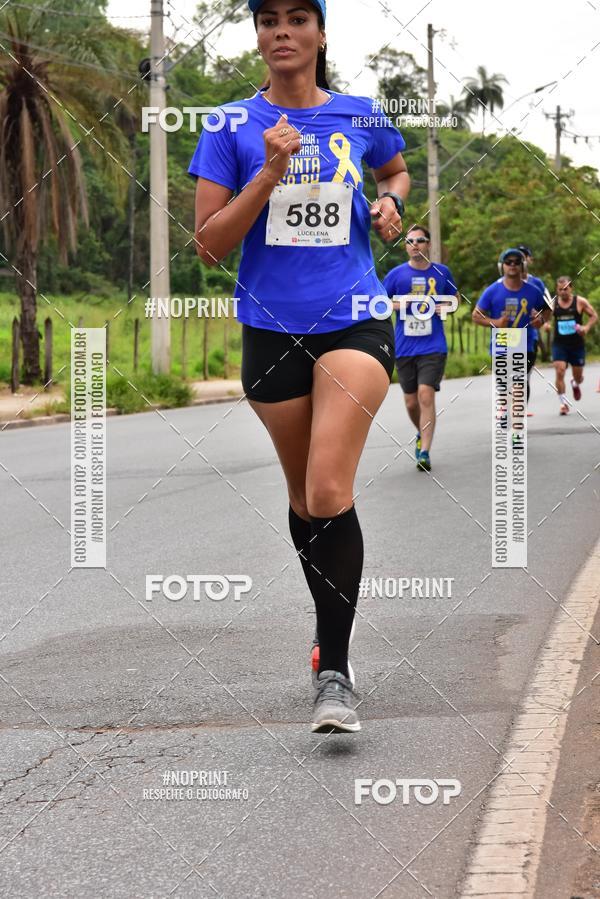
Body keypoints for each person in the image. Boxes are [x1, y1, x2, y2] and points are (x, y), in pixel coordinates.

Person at [189, 0, 409, 734]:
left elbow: (398, 171)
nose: (281, 31)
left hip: (355, 316)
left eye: (296, 17)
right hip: (270, 331)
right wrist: (270, 173)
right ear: (258, 35)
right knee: (304, 501)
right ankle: (328, 638)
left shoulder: (358, 113)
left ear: (320, 33)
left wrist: (386, 202)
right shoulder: (228, 126)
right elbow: (210, 245)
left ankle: (336, 675)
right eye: (267, 19)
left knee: (326, 486)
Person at [383, 226, 459, 472]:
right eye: (410, 241)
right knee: (411, 403)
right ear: (405, 246)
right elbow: (380, 302)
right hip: (405, 346)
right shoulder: (396, 275)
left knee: (426, 394)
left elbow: (455, 300)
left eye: (420, 240)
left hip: (433, 344)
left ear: (428, 244)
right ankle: (421, 433)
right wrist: (403, 304)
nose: (415, 244)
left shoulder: (441, 272)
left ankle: (424, 451)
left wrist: (444, 306)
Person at [472, 249, 550, 398]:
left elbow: (547, 310)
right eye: (508, 262)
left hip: (526, 344)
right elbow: (476, 316)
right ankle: (507, 417)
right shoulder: (492, 291)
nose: (512, 265)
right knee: (504, 389)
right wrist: (496, 322)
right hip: (501, 343)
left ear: (523, 266)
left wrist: (540, 320)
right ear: (502, 266)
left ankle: (517, 420)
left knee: (518, 386)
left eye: (517, 262)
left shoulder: (533, 291)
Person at [549, 276, 597, 414]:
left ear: (571, 288)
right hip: (560, 344)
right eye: (560, 289)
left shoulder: (580, 302)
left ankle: (575, 383)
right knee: (560, 371)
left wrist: (586, 328)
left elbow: (594, 316)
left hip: (576, 344)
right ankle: (563, 404)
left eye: (566, 289)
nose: (563, 292)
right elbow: (545, 318)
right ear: (557, 290)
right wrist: (545, 324)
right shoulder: (553, 304)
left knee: (578, 377)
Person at [515, 244, 552, 414]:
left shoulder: (536, 283)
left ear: (529, 260)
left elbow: (549, 306)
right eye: (517, 256)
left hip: (530, 336)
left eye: (524, 256)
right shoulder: (502, 283)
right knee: (504, 375)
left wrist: (542, 320)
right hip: (505, 336)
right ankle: (507, 410)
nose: (520, 259)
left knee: (523, 376)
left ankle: (518, 413)